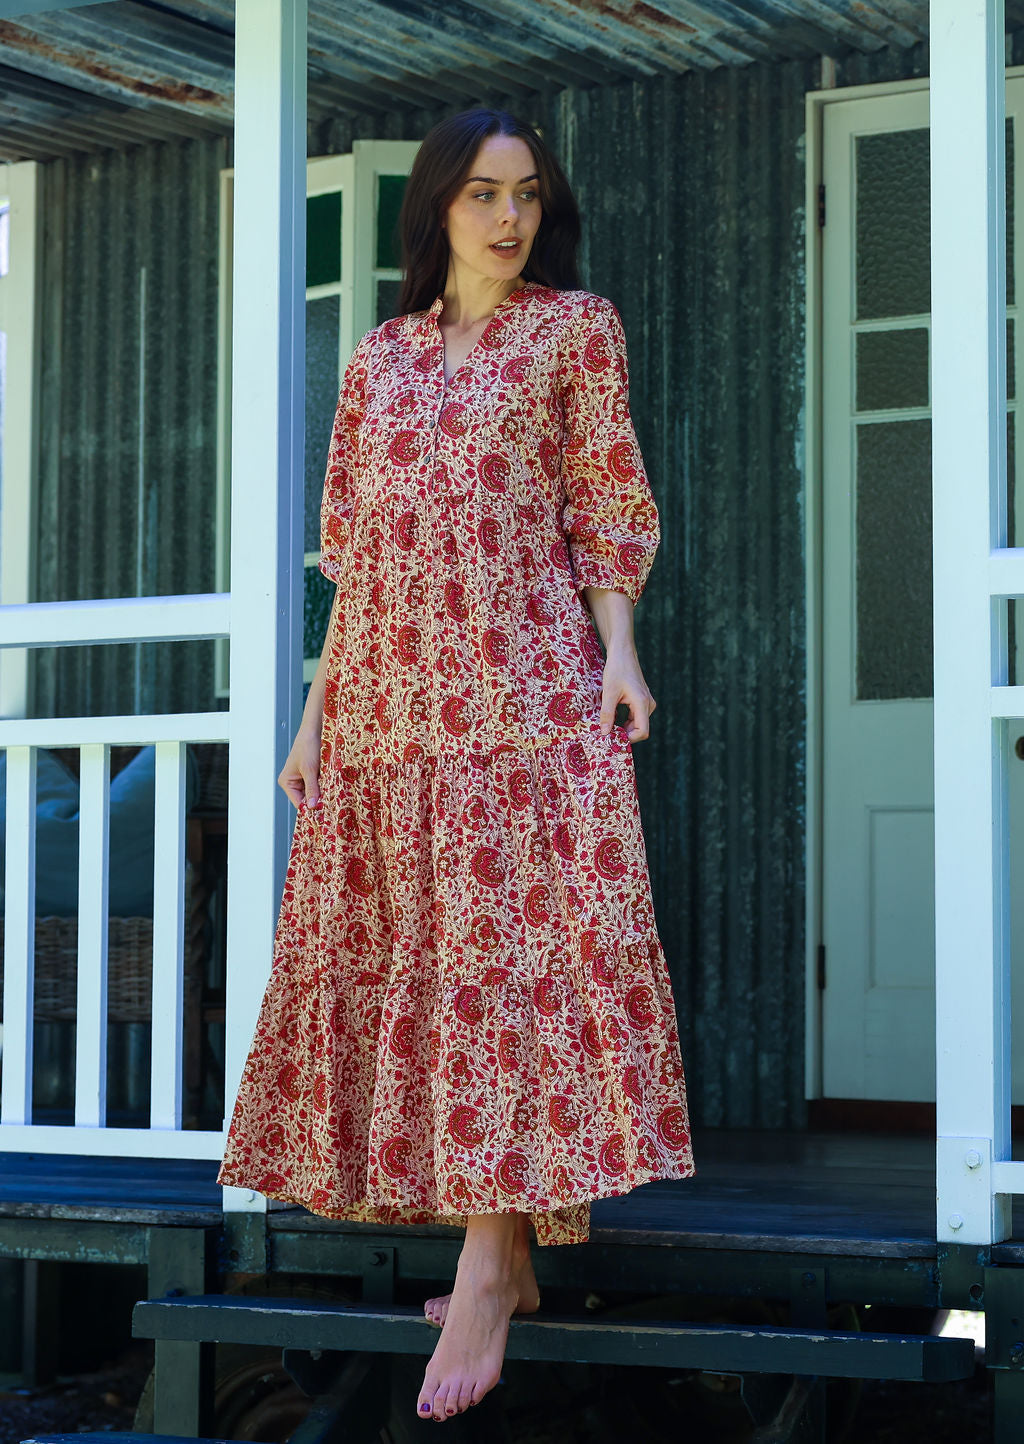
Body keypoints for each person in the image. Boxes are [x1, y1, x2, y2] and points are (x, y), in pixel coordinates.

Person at [217, 105, 695, 1425]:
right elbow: (356, 553)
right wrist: (316, 717)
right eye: (484, 193)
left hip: (522, 687)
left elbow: (606, 507)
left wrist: (621, 656)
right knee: (427, 958)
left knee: (511, 966)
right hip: (382, 699)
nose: (507, 216)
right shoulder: (379, 361)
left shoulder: (572, 331)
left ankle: (490, 1263)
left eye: (527, 194)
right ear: (437, 209)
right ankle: (514, 1259)